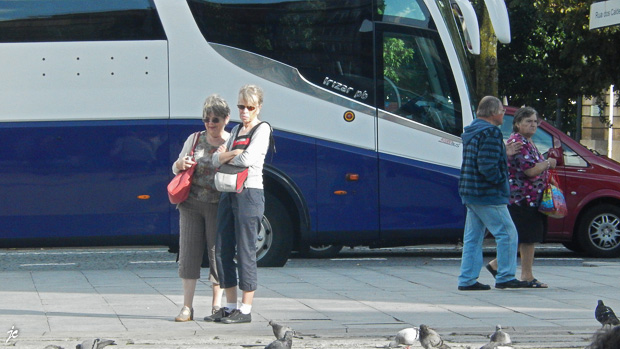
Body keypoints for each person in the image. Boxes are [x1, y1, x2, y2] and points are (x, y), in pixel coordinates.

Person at [207, 84, 272, 324]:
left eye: (249, 107)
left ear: (258, 108)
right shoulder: (235, 130)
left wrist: (230, 154)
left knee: (245, 250)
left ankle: (245, 309)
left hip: (250, 192)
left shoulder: (262, 129)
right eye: (241, 107)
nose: (244, 112)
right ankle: (230, 305)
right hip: (228, 191)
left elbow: (247, 159)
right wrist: (229, 154)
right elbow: (215, 157)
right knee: (223, 247)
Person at [457, 96, 530, 291]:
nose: (503, 114)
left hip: (470, 191)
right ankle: (505, 276)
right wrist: (500, 180)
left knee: (473, 238)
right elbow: (487, 165)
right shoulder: (490, 132)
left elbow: (479, 159)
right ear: (492, 113)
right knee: (507, 233)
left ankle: (467, 279)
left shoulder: (473, 131)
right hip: (487, 193)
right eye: (502, 111)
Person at [172, 94, 230, 321]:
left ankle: (216, 305)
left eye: (215, 119)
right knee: (188, 253)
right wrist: (180, 164)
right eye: (207, 119)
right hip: (191, 204)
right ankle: (187, 307)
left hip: (218, 204)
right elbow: (175, 167)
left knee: (217, 254)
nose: (210, 124)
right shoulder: (195, 139)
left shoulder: (231, 141)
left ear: (226, 119)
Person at [485, 107, 556, 288]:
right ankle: (526, 275)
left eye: (535, 121)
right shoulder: (520, 143)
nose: (533, 125)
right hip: (522, 198)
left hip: (528, 197)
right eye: (528, 122)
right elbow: (529, 170)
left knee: (523, 237)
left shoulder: (526, 141)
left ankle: (498, 265)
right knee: (527, 238)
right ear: (517, 124)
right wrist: (548, 163)